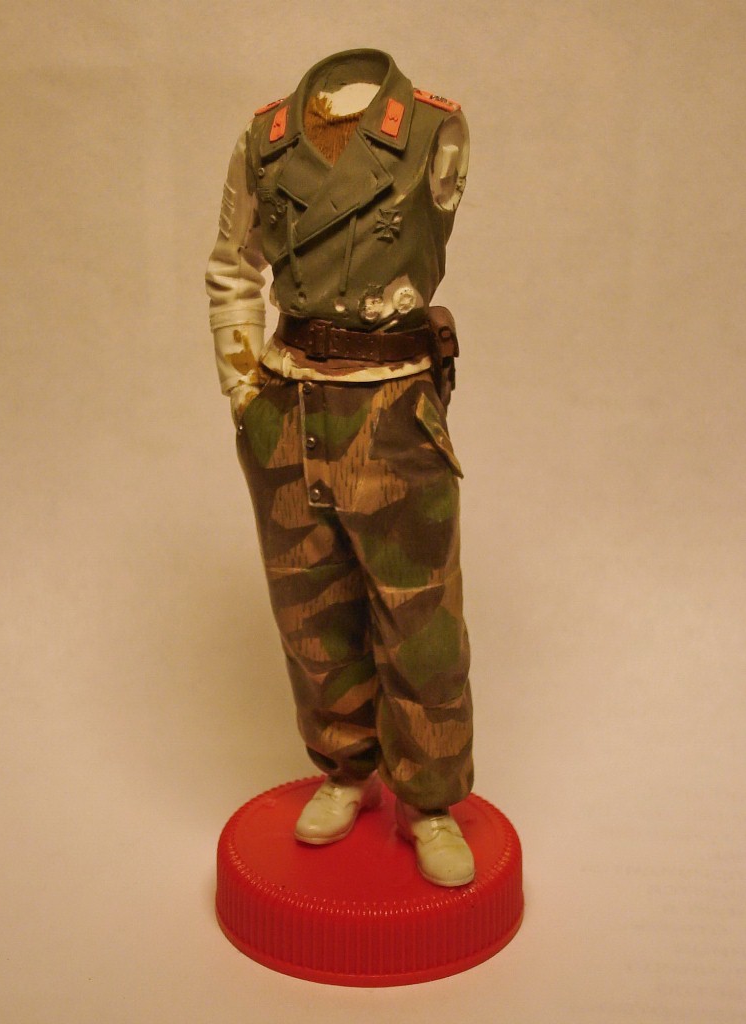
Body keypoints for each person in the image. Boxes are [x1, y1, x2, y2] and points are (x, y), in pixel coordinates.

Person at [206, 48, 475, 886]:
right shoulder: (264, 141)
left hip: (391, 407)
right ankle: (344, 769)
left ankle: (428, 800)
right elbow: (231, 267)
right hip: (289, 404)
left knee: (419, 618)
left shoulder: (432, 128)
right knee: (309, 608)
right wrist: (244, 391)